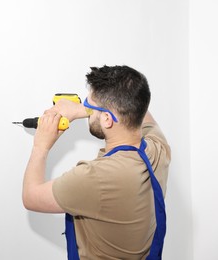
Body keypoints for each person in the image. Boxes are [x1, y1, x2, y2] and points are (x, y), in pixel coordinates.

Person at [22, 65, 171, 260]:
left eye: (89, 106)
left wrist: (41, 146)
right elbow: (138, 104)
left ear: (107, 119)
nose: (87, 110)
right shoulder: (158, 149)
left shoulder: (95, 178)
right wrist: (87, 109)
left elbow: (31, 197)